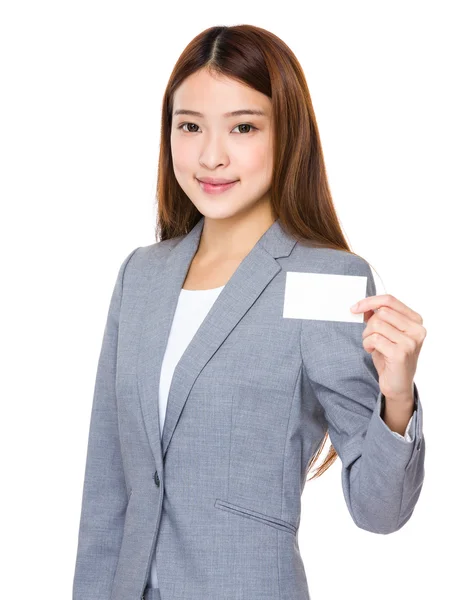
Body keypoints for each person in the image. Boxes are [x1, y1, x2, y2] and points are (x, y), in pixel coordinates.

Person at [72, 24, 426, 600]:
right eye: (190, 126)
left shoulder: (326, 280)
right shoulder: (140, 276)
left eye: (243, 127)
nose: (212, 156)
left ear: (286, 134)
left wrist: (398, 398)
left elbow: (379, 512)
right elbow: (107, 490)